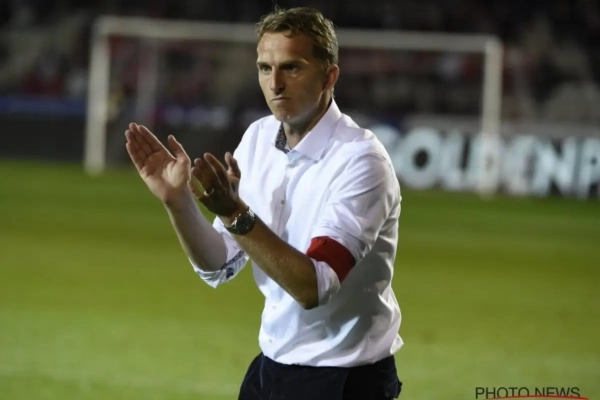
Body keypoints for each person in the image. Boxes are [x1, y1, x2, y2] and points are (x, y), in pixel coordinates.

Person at [124, 6, 403, 400]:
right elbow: (220, 263)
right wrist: (178, 201)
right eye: (264, 68)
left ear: (329, 76)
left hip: (344, 376)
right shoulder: (258, 138)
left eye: (292, 67)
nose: (275, 84)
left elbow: (314, 286)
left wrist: (235, 213)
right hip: (272, 366)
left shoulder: (360, 161)